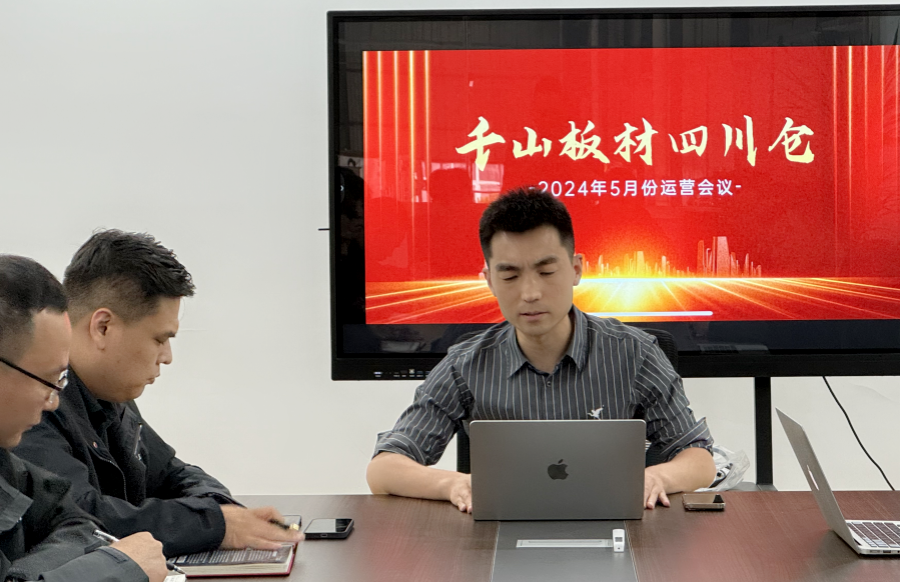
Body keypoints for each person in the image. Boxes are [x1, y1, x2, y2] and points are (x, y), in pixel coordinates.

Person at [367, 187, 717, 513]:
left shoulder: (634, 353)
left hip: (614, 526)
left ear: (576, 269)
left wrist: (658, 478)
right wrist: (453, 484)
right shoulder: (466, 364)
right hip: (499, 530)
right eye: (510, 276)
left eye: (546, 271)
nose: (530, 293)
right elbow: (384, 469)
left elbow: (699, 459)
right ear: (489, 280)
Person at [15, 230, 302, 558]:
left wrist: (221, 509)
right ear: (103, 327)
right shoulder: (31, 407)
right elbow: (79, 518)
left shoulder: (110, 397)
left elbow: (172, 474)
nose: (167, 357)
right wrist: (216, 524)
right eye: (159, 339)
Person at [0, 254, 167, 582]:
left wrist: (26, 577)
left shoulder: (6, 465)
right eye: (48, 380)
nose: (53, 402)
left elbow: (77, 522)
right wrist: (118, 566)